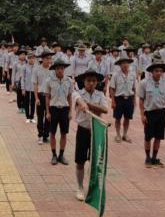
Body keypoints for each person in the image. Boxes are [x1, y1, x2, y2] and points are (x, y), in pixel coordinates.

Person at [72, 69, 108, 201]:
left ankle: (93, 187)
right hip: (83, 130)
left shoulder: (100, 94)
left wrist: (90, 105)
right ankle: (80, 187)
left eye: (94, 81)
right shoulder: (77, 93)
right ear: (84, 81)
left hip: (96, 131)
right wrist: (83, 104)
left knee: (95, 161)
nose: (91, 83)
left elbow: (105, 109)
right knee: (80, 161)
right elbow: (79, 101)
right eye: (88, 81)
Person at [138, 59, 165, 168]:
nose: (159, 73)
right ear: (151, 72)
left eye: (161, 71)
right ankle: (147, 158)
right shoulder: (144, 83)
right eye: (156, 71)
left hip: (161, 113)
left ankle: (154, 158)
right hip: (149, 113)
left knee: (158, 137)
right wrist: (142, 115)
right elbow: (141, 100)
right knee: (148, 137)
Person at [45, 59, 73, 165]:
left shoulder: (69, 81)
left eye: (61, 68)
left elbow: (70, 97)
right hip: (53, 109)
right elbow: (47, 97)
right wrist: (48, 112)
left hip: (64, 109)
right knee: (52, 133)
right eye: (57, 69)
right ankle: (54, 155)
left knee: (64, 133)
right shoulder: (49, 81)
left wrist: (70, 111)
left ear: (64, 69)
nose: (60, 70)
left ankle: (61, 155)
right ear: (54, 70)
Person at [109, 57, 136, 143]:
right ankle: (118, 134)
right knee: (118, 118)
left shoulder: (132, 75)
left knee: (127, 118)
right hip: (119, 99)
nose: (125, 64)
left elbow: (134, 88)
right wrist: (113, 101)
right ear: (120, 65)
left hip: (129, 99)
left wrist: (134, 101)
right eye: (123, 63)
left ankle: (125, 134)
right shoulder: (115, 75)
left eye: (127, 63)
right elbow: (112, 88)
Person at [33, 50, 54, 144]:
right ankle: (40, 135)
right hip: (40, 95)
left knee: (48, 116)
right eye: (46, 58)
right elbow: (35, 84)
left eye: (50, 58)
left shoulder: (52, 70)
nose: (48, 60)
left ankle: (46, 135)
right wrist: (36, 98)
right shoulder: (36, 69)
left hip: (50, 96)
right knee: (40, 116)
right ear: (42, 59)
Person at [11, 49, 27, 114]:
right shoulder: (15, 63)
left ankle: (24, 107)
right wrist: (13, 83)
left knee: (25, 95)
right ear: (19, 55)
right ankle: (20, 107)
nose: (23, 56)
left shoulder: (27, 63)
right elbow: (13, 73)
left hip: (25, 81)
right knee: (19, 95)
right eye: (21, 54)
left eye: (24, 54)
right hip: (18, 81)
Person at [22, 52, 36, 124]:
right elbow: (22, 78)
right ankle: (27, 117)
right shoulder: (24, 67)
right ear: (27, 59)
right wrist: (23, 89)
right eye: (30, 58)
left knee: (33, 103)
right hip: (27, 87)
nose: (31, 59)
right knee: (27, 102)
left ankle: (32, 117)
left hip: (34, 88)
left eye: (32, 58)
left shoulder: (37, 67)